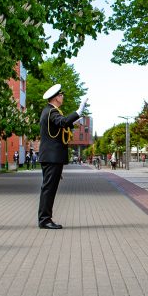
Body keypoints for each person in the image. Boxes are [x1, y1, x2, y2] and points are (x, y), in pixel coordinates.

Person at [37, 83, 83, 229]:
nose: (62, 97)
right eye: (61, 95)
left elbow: (61, 125)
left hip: (51, 157)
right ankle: (45, 220)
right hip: (52, 157)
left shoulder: (50, 111)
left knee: (49, 188)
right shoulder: (51, 112)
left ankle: (45, 218)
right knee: (49, 189)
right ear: (56, 98)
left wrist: (73, 121)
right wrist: (79, 111)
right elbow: (62, 122)